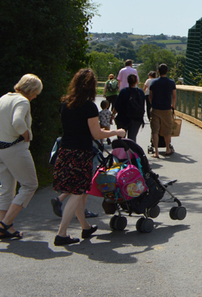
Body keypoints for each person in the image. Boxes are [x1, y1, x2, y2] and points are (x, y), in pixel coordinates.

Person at [53, 68, 125, 246]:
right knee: (77, 193)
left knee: (80, 192)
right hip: (81, 153)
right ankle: (61, 234)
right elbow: (97, 134)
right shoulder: (89, 107)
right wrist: (117, 131)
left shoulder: (64, 103)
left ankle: (85, 227)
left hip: (65, 151)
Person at [0, 74, 42, 240]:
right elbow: (18, 122)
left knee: (6, 189)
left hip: (0, 148)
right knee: (30, 185)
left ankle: (4, 228)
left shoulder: (4, 98)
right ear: (31, 90)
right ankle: (6, 224)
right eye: (36, 92)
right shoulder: (22, 101)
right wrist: (26, 134)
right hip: (14, 148)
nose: (36, 96)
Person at [149, 63, 177, 158]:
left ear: (158, 71)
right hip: (166, 108)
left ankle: (156, 151)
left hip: (156, 108)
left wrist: (152, 104)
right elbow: (174, 96)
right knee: (167, 130)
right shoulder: (171, 82)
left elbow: (150, 96)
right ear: (167, 71)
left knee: (155, 130)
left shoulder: (154, 82)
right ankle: (167, 149)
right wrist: (173, 105)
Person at [112, 73, 146, 142]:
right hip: (136, 119)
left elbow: (117, 105)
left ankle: (121, 152)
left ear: (127, 81)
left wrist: (112, 115)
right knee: (132, 138)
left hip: (123, 118)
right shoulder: (140, 92)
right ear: (137, 81)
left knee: (121, 138)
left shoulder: (123, 92)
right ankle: (131, 152)